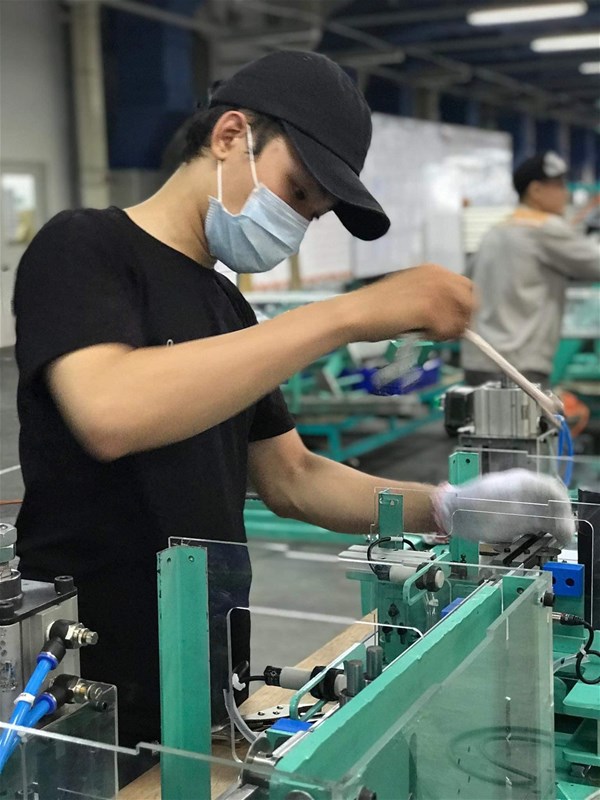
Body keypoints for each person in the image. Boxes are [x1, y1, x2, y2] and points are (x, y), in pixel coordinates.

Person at [12, 52, 573, 747]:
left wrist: (448, 508)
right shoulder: (84, 246)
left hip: (201, 665)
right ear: (230, 136)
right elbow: (110, 413)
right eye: (297, 192)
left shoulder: (227, 307)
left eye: (314, 212)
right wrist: (350, 314)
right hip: (80, 675)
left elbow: (294, 478)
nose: (297, 221)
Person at [462, 151, 600, 387]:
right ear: (536, 190)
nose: (565, 193)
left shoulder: (496, 230)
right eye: (559, 186)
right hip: (518, 367)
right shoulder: (546, 228)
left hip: (479, 360)